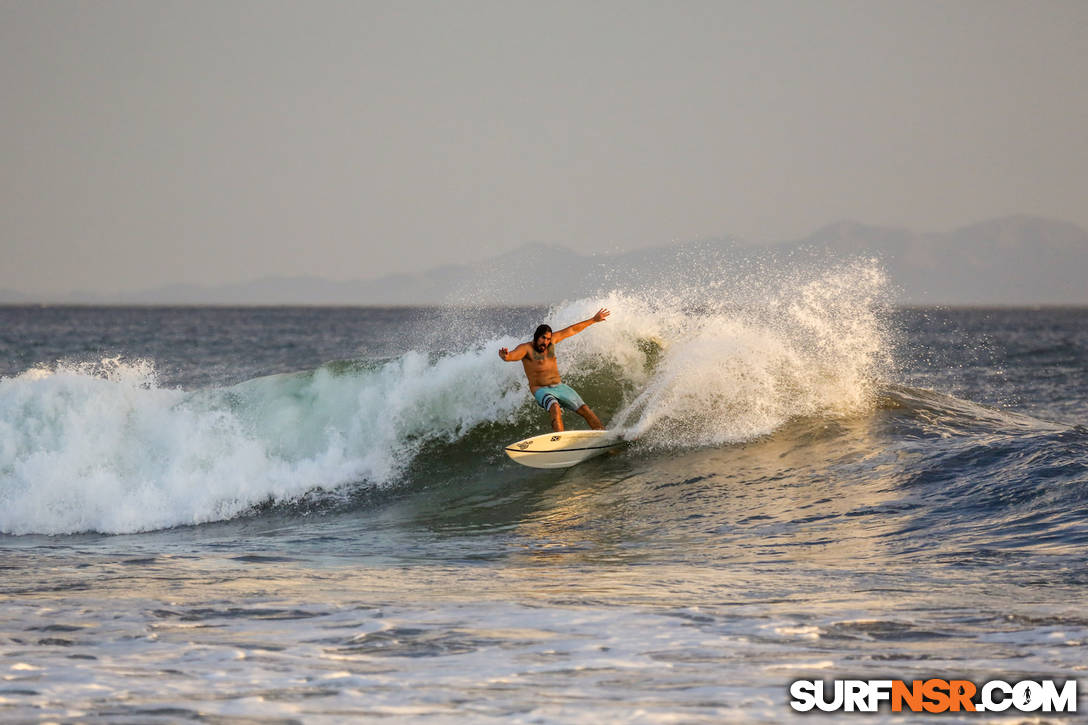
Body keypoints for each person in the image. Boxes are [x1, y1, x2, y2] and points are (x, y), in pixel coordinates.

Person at [498, 308, 610, 432]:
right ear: (536, 337)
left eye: (547, 339)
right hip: (541, 390)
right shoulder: (526, 349)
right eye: (542, 338)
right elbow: (512, 356)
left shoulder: (551, 342)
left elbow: (572, 330)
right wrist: (505, 356)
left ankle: (604, 437)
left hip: (559, 386)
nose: (545, 342)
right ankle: (559, 441)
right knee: (555, 407)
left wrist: (593, 320)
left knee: (585, 410)